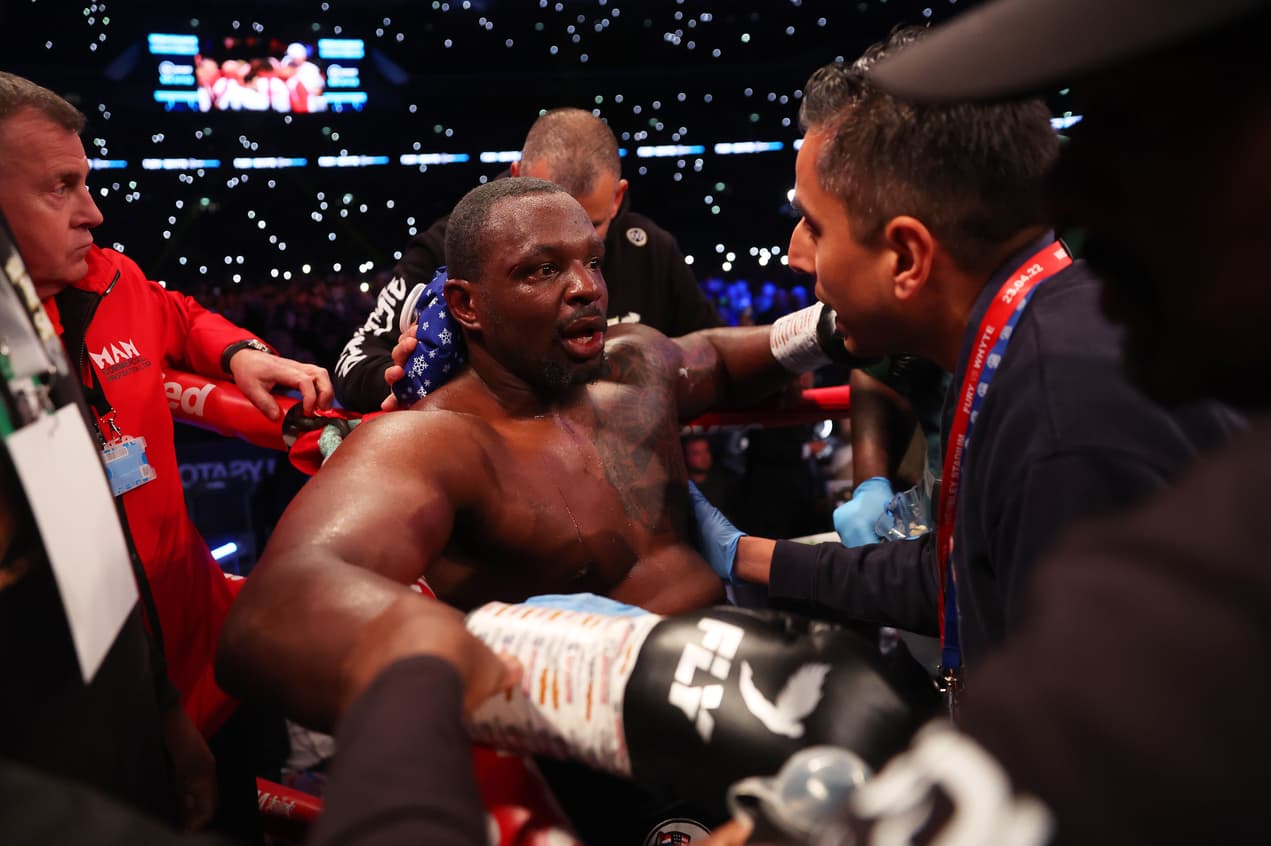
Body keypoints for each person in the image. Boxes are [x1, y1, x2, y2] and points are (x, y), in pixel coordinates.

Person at [705, 1, 1271, 842]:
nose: (1071, 188)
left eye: (1141, 126)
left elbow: (1094, 785)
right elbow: (968, 580)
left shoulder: (1069, 412)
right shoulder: (1026, 347)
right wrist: (750, 558)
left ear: (906, 257)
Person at [218, 176, 863, 727]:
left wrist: (839, 325)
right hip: (585, 749)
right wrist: (539, 662)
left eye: (593, 261)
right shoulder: (432, 440)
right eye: (542, 270)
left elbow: (718, 356)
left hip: (738, 694)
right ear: (467, 305)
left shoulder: (632, 368)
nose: (586, 288)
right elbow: (271, 616)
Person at [0, 70, 334, 832]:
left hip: (213, 660)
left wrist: (239, 351)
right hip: (105, 716)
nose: (95, 211)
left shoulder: (111, 276)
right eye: (61, 187)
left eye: (86, 181)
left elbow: (177, 315)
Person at [334, 107, 723, 413]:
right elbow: (353, 366)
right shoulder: (456, 246)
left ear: (618, 198)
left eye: (591, 227)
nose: (582, 283)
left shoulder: (649, 248)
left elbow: (709, 357)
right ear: (515, 177)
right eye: (546, 253)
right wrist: (412, 379)